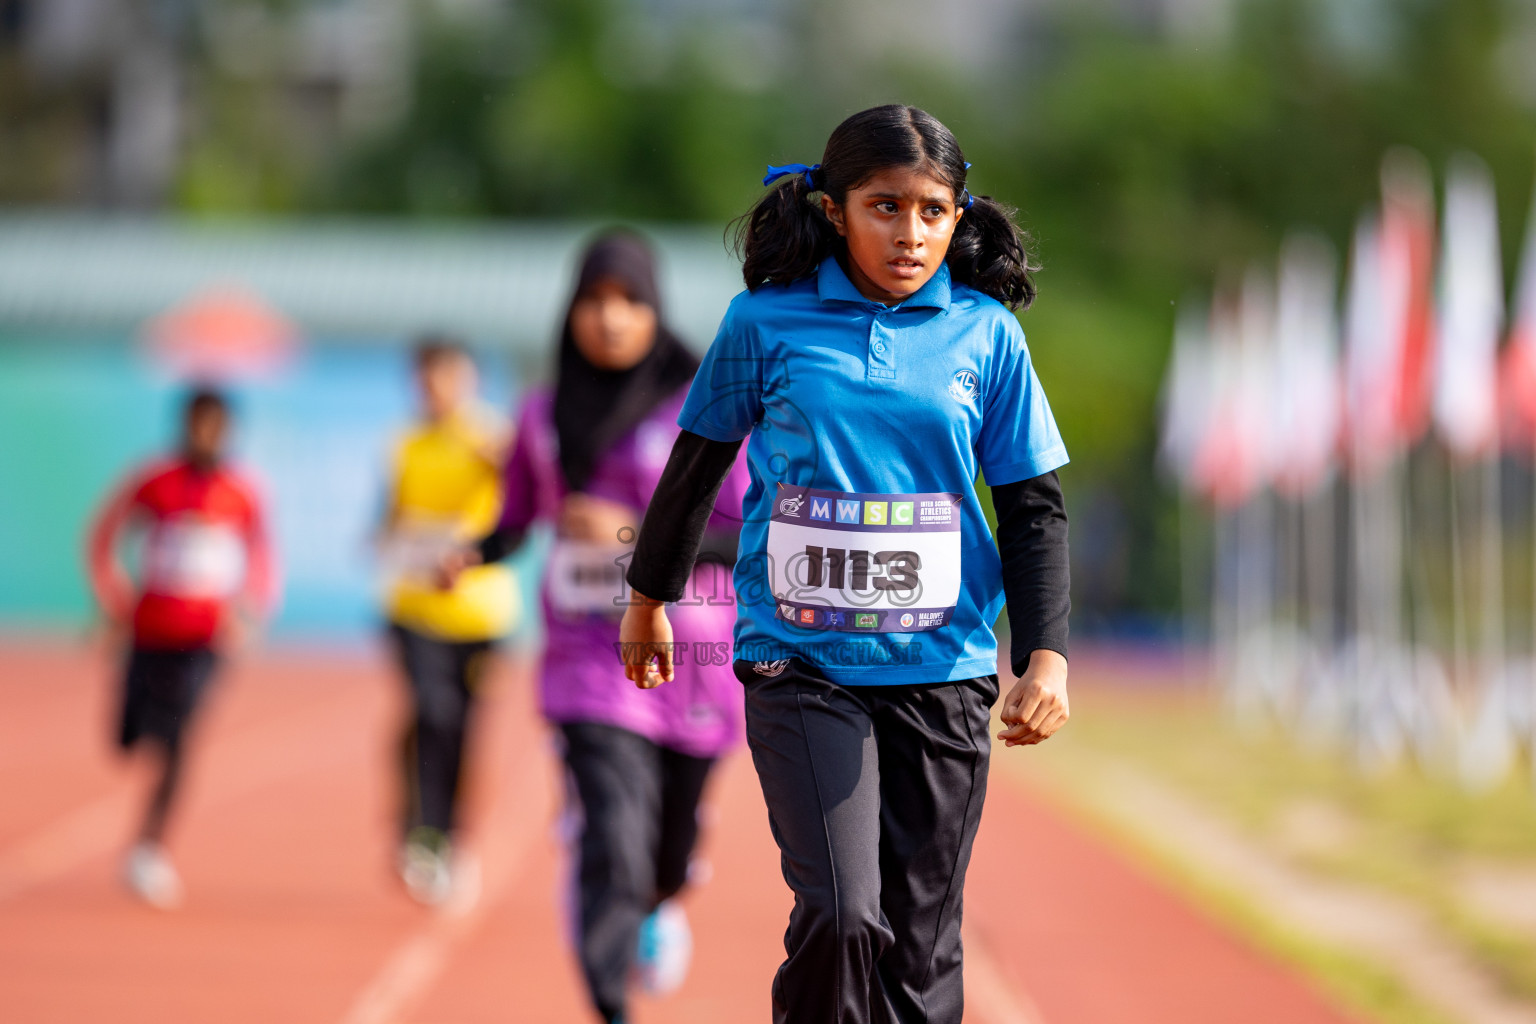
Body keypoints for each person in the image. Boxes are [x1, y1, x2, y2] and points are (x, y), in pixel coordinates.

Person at [618, 105, 1072, 1024]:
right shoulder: (763, 324)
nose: (911, 234)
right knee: (839, 911)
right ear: (834, 210)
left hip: (942, 671)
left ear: (958, 216)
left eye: (934, 212)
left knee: (917, 944)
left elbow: (1032, 505)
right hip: (799, 659)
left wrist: (1047, 655)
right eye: (885, 207)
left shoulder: (988, 338)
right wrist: (647, 599)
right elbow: (696, 468)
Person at [443, 231, 747, 1024]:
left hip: (697, 656)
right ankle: (612, 1005)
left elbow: (748, 532)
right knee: (615, 834)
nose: (610, 320)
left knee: (666, 853)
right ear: (569, 312)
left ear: (656, 311)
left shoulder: (703, 404)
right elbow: (515, 519)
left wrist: (638, 530)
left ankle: (662, 900)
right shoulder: (542, 415)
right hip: (588, 655)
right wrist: (472, 553)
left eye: (629, 302)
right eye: (593, 302)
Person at [86, 386, 277, 909]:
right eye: (198, 423)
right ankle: (134, 727)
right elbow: (103, 538)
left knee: (179, 738)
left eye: (216, 425)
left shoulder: (243, 492)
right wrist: (114, 601)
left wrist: (250, 609)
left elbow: (263, 557)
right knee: (129, 739)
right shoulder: (154, 482)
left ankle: (148, 848)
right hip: (149, 630)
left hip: (205, 639)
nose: (206, 434)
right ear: (183, 425)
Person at [377, 336, 519, 906]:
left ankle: (451, 841)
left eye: (449, 377)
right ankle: (417, 830)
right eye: (428, 377)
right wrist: (387, 537)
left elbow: (525, 488)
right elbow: (394, 511)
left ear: (469, 380)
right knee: (429, 711)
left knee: (461, 729)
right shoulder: (405, 444)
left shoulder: (491, 438)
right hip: (413, 608)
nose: (438, 389)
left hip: (481, 614)